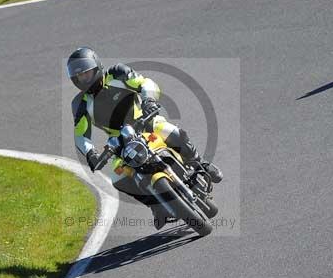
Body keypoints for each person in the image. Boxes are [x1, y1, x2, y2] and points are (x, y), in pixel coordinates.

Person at [67, 47, 222, 229]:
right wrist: (90, 153)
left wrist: (148, 100)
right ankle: (156, 205)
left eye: (87, 73)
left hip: (145, 121)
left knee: (171, 132)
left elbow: (145, 83)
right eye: (80, 77)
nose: (84, 79)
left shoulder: (117, 73)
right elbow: (80, 134)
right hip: (120, 142)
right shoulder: (80, 104)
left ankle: (200, 163)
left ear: (97, 67)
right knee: (117, 178)